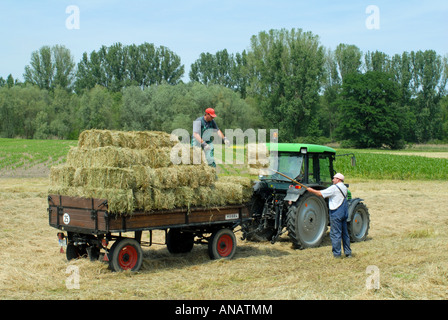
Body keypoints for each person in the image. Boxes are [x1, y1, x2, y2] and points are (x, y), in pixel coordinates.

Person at [307, 173, 352, 258]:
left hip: (336, 213)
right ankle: (348, 253)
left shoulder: (334, 188)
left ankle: (337, 254)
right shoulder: (344, 188)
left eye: (334, 178)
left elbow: (320, 194)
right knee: (345, 234)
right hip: (344, 212)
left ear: (338, 179)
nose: (332, 180)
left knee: (335, 234)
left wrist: (311, 190)